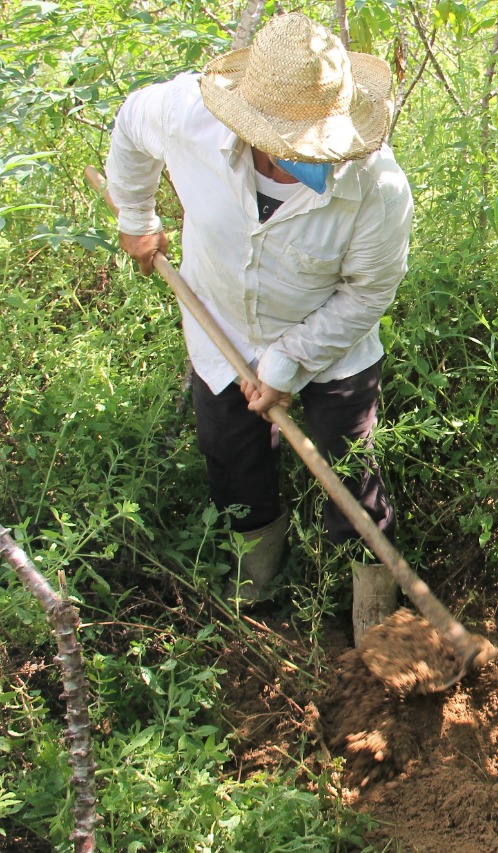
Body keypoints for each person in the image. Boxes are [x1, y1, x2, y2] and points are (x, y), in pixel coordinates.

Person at [105, 13, 414, 641]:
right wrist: (137, 216)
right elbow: (133, 124)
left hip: (331, 349)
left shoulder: (378, 188)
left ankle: (373, 621)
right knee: (233, 463)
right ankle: (258, 595)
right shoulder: (187, 116)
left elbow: (369, 293)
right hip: (219, 333)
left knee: (350, 474)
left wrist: (284, 366)